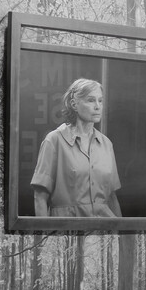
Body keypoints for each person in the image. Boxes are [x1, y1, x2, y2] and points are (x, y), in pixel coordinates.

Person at [30, 78, 121, 220]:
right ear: (74, 104)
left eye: (100, 100)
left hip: (104, 229)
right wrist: (45, 232)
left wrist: (121, 231)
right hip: (66, 229)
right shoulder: (54, 140)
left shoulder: (106, 144)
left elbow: (111, 197)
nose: (97, 106)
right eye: (91, 100)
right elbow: (40, 196)